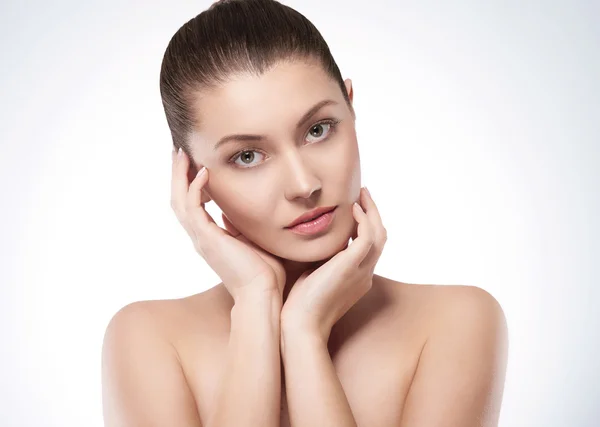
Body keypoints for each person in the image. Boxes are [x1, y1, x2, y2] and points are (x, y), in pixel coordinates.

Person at [101, 0, 509, 426]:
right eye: (247, 156)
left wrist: (304, 335)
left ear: (350, 107)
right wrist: (256, 303)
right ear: (190, 177)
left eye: (318, 130)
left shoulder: (456, 322)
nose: (303, 185)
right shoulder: (148, 340)